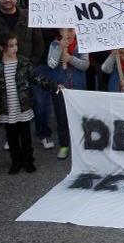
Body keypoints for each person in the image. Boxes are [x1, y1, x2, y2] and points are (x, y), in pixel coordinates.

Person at [0, 32, 57, 174]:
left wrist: (54, 86)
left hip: (23, 106)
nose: (14, 48)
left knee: (25, 135)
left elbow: (37, 78)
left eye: (15, 45)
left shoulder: (23, 62)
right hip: (6, 108)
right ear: (1, 47)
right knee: (12, 137)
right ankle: (16, 161)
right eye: (11, 46)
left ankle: (28, 160)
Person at [47, 28, 89, 160]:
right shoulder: (54, 44)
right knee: (61, 117)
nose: (69, 34)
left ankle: (80, 145)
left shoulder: (82, 43)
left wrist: (70, 58)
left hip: (78, 87)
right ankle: (64, 145)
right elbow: (51, 64)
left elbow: (85, 65)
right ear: (60, 31)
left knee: (79, 117)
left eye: (72, 30)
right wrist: (60, 49)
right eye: (66, 31)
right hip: (60, 87)